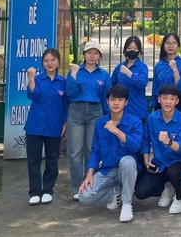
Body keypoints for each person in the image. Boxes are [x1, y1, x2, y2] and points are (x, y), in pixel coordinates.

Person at [78, 85, 143, 223]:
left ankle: (127, 203)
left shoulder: (135, 122)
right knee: (84, 196)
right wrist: (89, 173)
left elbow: (136, 146)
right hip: (107, 170)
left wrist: (116, 131)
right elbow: (95, 151)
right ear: (107, 101)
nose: (116, 103)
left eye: (120, 100)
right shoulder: (100, 123)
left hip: (127, 170)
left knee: (127, 161)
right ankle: (114, 193)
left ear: (126, 102)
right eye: (113, 99)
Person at [66, 40, 112, 200]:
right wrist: (73, 75)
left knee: (92, 150)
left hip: (95, 111)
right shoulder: (75, 71)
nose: (92, 56)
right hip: (76, 110)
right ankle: (76, 187)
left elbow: (106, 98)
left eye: (95, 53)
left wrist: (108, 119)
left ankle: (89, 184)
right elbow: (70, 93)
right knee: (75, 151)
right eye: (89, 53)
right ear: (84, 54)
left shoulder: (103, 75)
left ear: (99, 56)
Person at [135, 84, 181, 215]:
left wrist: (169, 142)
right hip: (159, 162)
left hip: (177, 161)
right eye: (165, 98)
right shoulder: (152, 118)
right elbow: (145, 141)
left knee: (174, 172)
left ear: (177, 101)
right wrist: (147, 161)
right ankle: (168, 186)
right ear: (159, 99)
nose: (168, 102)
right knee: (140, 193)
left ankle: (179, 197)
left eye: (172, 99)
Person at [24, 49, 68, 206]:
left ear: (58, 62)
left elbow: (65, 105)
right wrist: (30, 78)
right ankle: (35, 191)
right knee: (33, 160)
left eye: (53, 60)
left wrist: (65, 123)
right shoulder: (37, 79)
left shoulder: (63, 82)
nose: (50, 63)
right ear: (42, 63)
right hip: (35, 126)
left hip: (54, 126)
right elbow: (33, 94)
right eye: (46, 61)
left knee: (52, 159)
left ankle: (48, 190)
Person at [111, 36, 149, 124]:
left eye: (135, 48)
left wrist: (129, 74)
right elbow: (112, 84)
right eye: (129, 48)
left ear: (139, 51)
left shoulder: (143, 67)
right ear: (125, 50)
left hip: (138, 110)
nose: (132, 50)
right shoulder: (119, 67)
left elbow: (143, 83)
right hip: (122, 111)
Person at [151, 33, 181, 114]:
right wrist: (153, 105)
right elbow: (155, 88)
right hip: (161, 103)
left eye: (174, 43)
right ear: (163, 46)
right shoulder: (159, 65)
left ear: (178, 46)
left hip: (178, 103)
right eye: (168, 43)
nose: (171, 46)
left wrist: (175, 69)